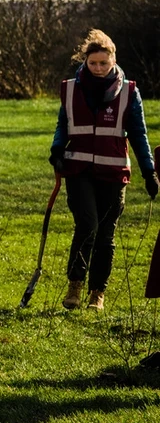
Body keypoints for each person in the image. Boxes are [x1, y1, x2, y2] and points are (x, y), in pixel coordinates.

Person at [50, 29, 157, 311]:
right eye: (93, 63)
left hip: (113, 171)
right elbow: (64, 123)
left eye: (103, 63)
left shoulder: (130, 92)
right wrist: (57, 150)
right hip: (78, 168)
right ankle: (75, 286)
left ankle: (97, 293)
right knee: (87, 225)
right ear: (85, 61)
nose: (97, 68)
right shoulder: (71, 87)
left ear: (113, 61)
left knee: (106, 234)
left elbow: (139, 133)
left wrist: (149, 172)